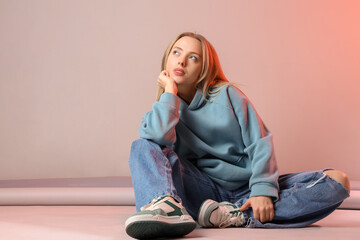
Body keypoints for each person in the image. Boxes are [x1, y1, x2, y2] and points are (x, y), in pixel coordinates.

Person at [125, 32, 350, 239]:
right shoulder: (164, 108)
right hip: (202, 192)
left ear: (204, 68)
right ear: (167, 59)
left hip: (247, 188)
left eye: (193, 57)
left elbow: (259, 142)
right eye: (176, 52)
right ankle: (165, 207)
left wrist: (262, 190)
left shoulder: (227, 94)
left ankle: (237, 215)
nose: (181, 61)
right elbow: (156, 140)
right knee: (142, 146)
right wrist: (169, 94)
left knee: (338, 181)